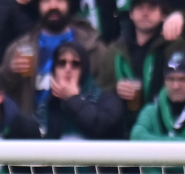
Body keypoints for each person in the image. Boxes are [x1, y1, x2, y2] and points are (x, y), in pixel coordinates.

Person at [0, 0, 106, 119]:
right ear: (38, 6)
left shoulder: (93, 47)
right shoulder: (18, 49)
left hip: (81, 129)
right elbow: (0, 98)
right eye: (46, 1)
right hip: (35, 131)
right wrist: (10, 73)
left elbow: (107, 94)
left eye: (60, 1)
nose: (53, 6)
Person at [96, 0, 177, 135]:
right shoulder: (114, 50)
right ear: (131, 14)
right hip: (121, 130)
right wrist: (116, 89)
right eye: (139, 7)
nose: (145, 13)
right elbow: (99, 90)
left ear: (163, 14)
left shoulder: (174, 45)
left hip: (164, 128)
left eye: (151, 7)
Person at [39, 40, 124, 139]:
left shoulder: (108, 99)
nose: (68, 69)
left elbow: (100, 128)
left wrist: (74, 99)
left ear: (84, 70)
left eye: (75, 64)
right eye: (62, 63)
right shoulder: (48, 105)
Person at [131, 50, 185, 139]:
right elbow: (136, 136)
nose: (175, 86)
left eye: (182, 79)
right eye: (170, 79)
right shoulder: (151, 111)